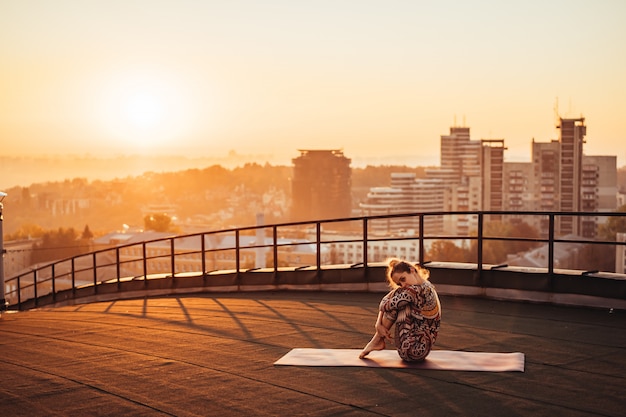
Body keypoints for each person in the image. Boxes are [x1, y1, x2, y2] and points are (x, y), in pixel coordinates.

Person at [359, 258, 441, 362]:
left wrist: (378, 324)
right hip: (422, 350)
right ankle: (376, 340)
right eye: (400, 284)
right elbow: (385, 301)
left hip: (410, 351)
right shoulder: (427, 285)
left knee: (398, 302)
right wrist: (378, 325)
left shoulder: (416, 290)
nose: (403, 285)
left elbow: (384, 304)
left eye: (403, 279)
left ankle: (376, 341)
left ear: (412, 270)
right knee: (398, 299)